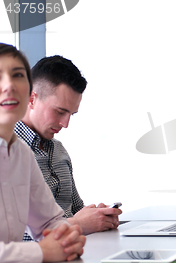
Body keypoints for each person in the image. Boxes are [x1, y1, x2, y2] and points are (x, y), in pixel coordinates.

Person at [15, 55, 122, 237]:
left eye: (71, 114)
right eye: (60, 111)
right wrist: (77, 224)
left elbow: (75, 209)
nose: (65, 124)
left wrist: (98, 216)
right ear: (32, 98)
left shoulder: (59, 151)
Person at [0, 43, 86, 262]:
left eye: (18, 75)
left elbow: (50, 222)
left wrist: (68, 236)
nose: (10, 87)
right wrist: (42, 252)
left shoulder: (20, 154)